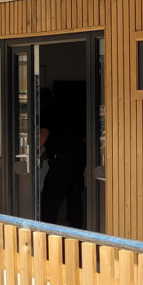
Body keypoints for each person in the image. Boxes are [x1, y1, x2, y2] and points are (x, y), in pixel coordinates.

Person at [39, 88, 87, 227]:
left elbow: (44, 134)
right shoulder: (65, 110)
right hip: (78, 157)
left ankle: (46, 232)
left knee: (50, 199)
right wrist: (44, 156)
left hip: (62, 162)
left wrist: (29, 150)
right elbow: (62, 139)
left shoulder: (45, 111)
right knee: (74, 197)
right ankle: (76, 233)